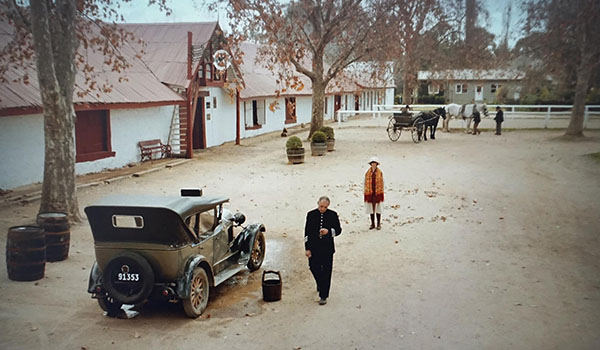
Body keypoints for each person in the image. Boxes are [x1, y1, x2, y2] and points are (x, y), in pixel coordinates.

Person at [304, 196, 342, 305]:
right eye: (321, 206)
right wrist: (307, 248)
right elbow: (306, 232)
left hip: (327, 248)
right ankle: (320, 283)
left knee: (326, 271)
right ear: (317, 204)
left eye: (325, 207)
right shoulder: (311, 215)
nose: (322, 209)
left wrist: (329, 232)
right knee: (313, 267)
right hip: (314, 247)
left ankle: (324, 295)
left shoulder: (333, 215)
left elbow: (339, 230)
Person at [364, 156, 384, 230]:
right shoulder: (367, 173)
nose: (373, 164)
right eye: (372, 163)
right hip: (370, 193)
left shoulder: (380, 173)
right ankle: (372, 223)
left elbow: (382, 182)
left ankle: (378, 223)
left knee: (378, 208)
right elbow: (365, 183)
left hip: (377, 192)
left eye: (374, 163)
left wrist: (380, 192)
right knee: (371, 209)